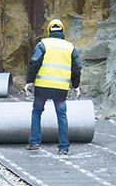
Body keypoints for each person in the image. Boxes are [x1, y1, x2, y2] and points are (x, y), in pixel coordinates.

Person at [24, 18, 82, 155]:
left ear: (49, 30)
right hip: (61, 89)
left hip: (43, 87)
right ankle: (63, 147)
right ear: (63, 30)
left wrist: (30, 81)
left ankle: (34, 142)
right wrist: (75, 85)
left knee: (37, 112)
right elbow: (77, 68)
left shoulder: (43, 44)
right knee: (61, 115)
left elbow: (34, 63)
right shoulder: (70, 47)